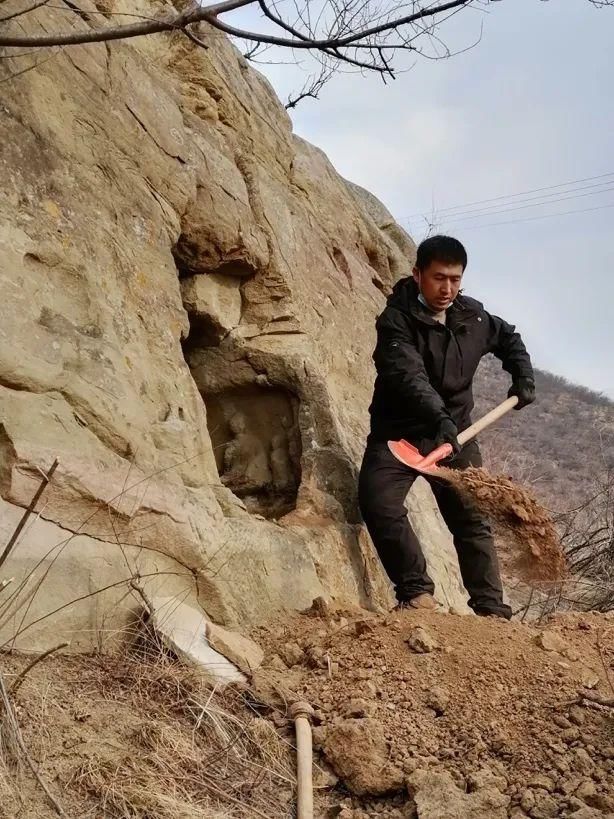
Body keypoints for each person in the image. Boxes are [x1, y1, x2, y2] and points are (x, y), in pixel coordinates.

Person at [358, 235, 535, 618]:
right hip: (399, 433)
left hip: (456, 437)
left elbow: (509, 338)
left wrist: (522, 374)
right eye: (439, 278)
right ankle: (416, 592)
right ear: (417, 274)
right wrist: (438, 418)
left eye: (456, 279)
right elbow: (408, 377)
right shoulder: (395, 322)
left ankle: (491, 611)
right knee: (379, 503)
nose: (448, 289)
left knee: (471, 519)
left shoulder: (472, 317)